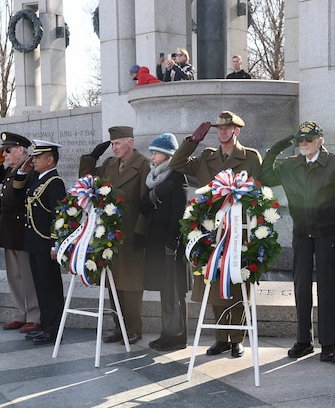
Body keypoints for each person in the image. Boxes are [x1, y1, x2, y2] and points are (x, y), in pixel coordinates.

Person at [171, 111, 262, 358]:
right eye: (219, 129)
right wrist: (192, 142)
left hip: (239, 228)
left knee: (237, 280)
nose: (222, 132)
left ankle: (237, 338)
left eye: (227, 128)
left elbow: (260, 190)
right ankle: (221, 338)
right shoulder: (206, 157)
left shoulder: (251, 157)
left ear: (237, 131)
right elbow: (176, 164)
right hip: (211, 229)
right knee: (213, 279)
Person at [261, 122, 335, 363]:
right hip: (301, 234)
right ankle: (304, 341)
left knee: (327, 290)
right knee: (301, 288)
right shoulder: (291, 164)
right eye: (301, 140)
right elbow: (265, 177)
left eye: (309, 140)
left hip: (327, 235)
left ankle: (329, 344)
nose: (304, 144)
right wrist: (276, 149)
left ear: (320, 141)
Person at [79, 127, 148, 345]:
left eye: (118, 143)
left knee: (132, 285)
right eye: (112, 144)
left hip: (132, 234)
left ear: (131, 142)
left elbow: (146, 202)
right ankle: (119, 327)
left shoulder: (144, 165)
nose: (115, 147)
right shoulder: (109, 164)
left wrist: (141, 232)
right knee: (113, 284)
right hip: (111, 234)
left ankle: (134, 329)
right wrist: (91, 158)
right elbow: (87, 180)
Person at [139, 133, 191, 351]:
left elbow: (179, 215)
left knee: (175, 290)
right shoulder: (155, 178)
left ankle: (178, 336)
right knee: (164, 288)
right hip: (157, 243)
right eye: (152, 151)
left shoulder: (178, 177)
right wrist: (154, 195)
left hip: (172, 246)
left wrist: (173, 243)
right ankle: (167, 332)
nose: (152, 155)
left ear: (168, 154)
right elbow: (143, 207)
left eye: (156, 152)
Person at [13, 140, 66, 345]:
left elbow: (58, 215)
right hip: (33, 242)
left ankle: (53, 329)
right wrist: (21, 173)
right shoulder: (37, 179)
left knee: (50, 286)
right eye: (33, 156)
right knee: (40, 286)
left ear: (50, 159)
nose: (33, 160)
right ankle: (45, 325)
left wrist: (56, 244)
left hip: (45, 242)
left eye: (37, 157)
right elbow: (17, 194)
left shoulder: (55, 182)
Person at [0, 132, 41, 334]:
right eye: (3, 151)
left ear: (21, 150)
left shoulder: (28, 170)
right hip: (9, 229)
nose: (5, 155)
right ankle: (21, 313)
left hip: (22, 229)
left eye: (8, 150)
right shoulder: (13, 170)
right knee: (14, 275)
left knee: (27, 275)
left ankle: (34, 315)